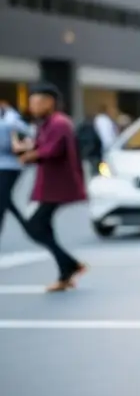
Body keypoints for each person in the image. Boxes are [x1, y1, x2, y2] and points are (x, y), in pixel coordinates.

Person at [17, 84, 87, 291]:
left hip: (58, 185)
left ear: (50, 102)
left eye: (37, 102)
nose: (33, 107)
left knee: (35, 226)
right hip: (49, 184)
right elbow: (42, 147)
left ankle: (70, 266)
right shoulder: (47, 123)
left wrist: (29, 155)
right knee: (41, 226)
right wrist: (27, 150)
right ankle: (67, 269)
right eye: (32, 103)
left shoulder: (59, 123)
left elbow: (52, 150)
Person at [0, 99, 31, 249]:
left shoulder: (7, 124)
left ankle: (25, 223)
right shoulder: (14, 122)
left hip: (8, 166)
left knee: (3, 198)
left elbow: (6, 145)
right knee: (4, 198)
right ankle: (25, 223)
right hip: (13, 165)